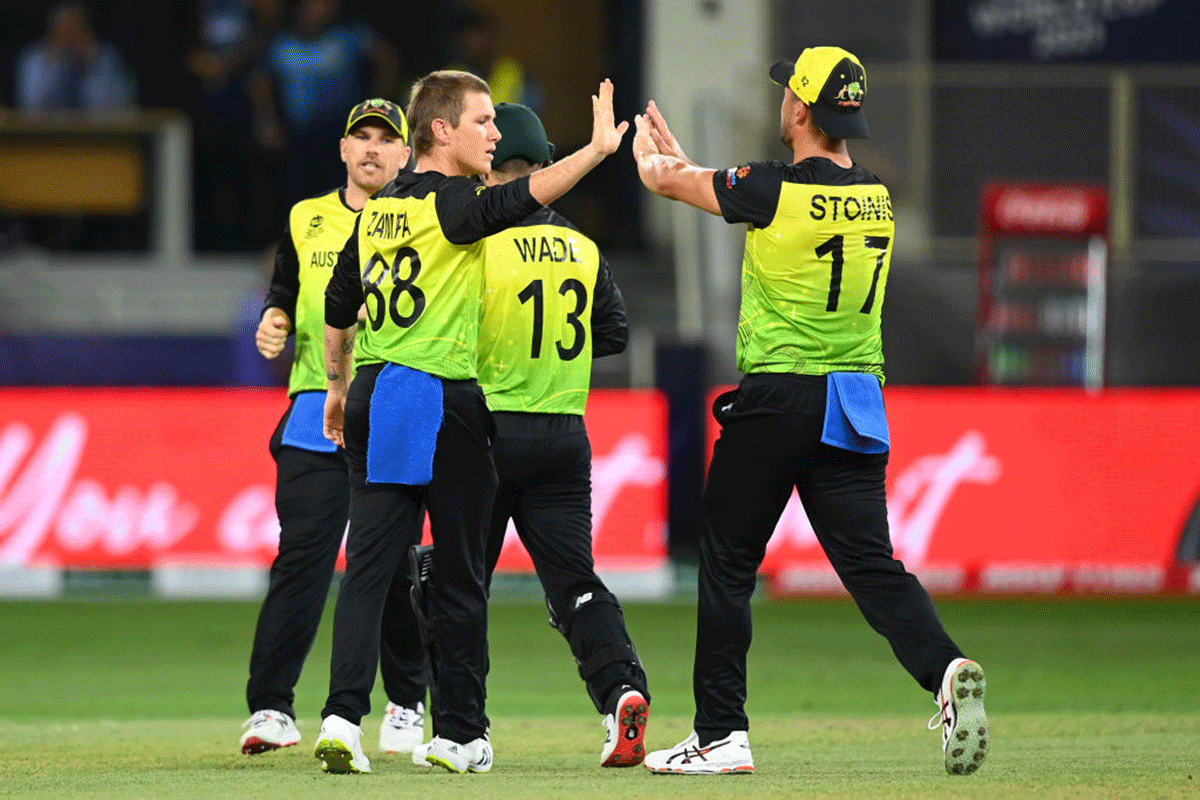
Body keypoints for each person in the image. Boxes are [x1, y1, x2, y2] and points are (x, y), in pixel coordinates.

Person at [631, 47, 989, 776]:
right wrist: (696, 171)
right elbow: (750, 194)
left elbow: (670, 184)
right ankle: (945, 668)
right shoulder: (879, 199)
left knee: (728, 561)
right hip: (856, 399)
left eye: (787, 95)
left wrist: (653, 157)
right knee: (869, 564)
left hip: (779, 397)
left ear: (798, 109)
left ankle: (722, 734)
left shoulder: (769, 189)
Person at [316, 71, 628, 776]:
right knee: (459, 575)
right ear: (439, 132)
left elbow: (338, 307)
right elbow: (530, 194)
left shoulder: (375, 214)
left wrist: (335, 389)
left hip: (374, 390)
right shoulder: (457, 204)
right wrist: (597, 152)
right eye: (483, 122)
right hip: (441, 398)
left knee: (369, 569)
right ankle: (460, 733)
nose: (495, 134)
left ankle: (341, 718)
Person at [387, 102, 650, 769]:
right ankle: (621, 691)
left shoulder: (473, 239)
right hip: (564, 435)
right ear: (547, 162)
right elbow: (614, 334)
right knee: (574, 583)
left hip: (486, 435)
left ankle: (459, 729)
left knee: (448, 580)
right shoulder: (580, 246)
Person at [238, 97, 412, 756]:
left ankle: (405, 702)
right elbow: (283, 291)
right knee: (303, 562)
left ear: (403, 155)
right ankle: (271, 709)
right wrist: (274, 320)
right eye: (359, 137)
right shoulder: (305, 218)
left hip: (392, 405)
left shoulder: (419, 222)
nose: (370, 148)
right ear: (343, 150)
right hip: (315, 405)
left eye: (384, 140)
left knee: (392, 568)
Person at [250, 0, 399, 211]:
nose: (320, 9)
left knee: (345, 196)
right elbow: (260, 83)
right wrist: (268, 120)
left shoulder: (349, 36)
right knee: (300, 197)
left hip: (342, 132)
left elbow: (387, 59)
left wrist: (378, 105)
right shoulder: (282, 44)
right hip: (298, 135)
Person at [15, 1, 135, 112]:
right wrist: (55, 65)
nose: (71, 38)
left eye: (77, 30)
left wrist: (89, 64)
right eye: (65, 31)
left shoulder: (107, 57)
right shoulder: (33, 58)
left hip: (97, 132)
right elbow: (30, 104)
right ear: (52, 31)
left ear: (88, 30)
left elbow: (119, 104)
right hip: (45, 132)